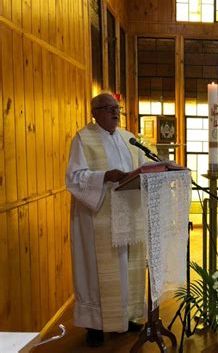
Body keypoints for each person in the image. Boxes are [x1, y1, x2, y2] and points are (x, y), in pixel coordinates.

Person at [66, 93, 147, 347]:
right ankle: (95, 325)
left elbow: (142, 166)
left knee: (127, 266)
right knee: (95, 271)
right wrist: (104, 176)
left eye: (117, 109)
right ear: (95, 112)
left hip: (127, 213)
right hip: (97, 218)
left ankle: (127, 316)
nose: (115, 113)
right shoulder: (83, 138)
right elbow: (75, 177)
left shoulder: (128, 138)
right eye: (109, 108)